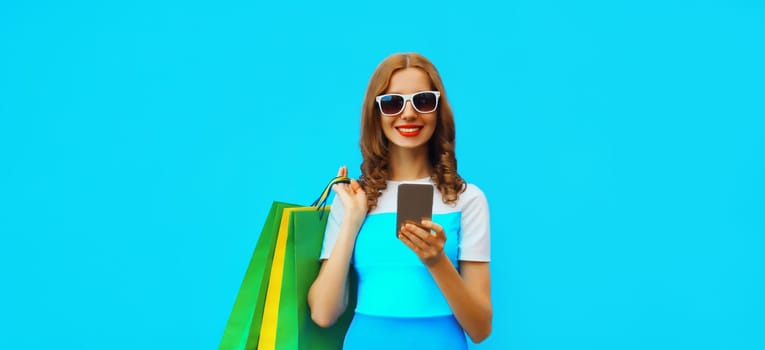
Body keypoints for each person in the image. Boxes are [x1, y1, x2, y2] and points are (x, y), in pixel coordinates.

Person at [308, 52, 492, 349]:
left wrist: (436, 261)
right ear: (376, 113)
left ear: (437, 110)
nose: (408, 114)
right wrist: (352, 221)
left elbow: (481, 328)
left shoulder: (467, 200)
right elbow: (323, 313)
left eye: (422, 101)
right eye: (393, 103)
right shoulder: (354, 199)